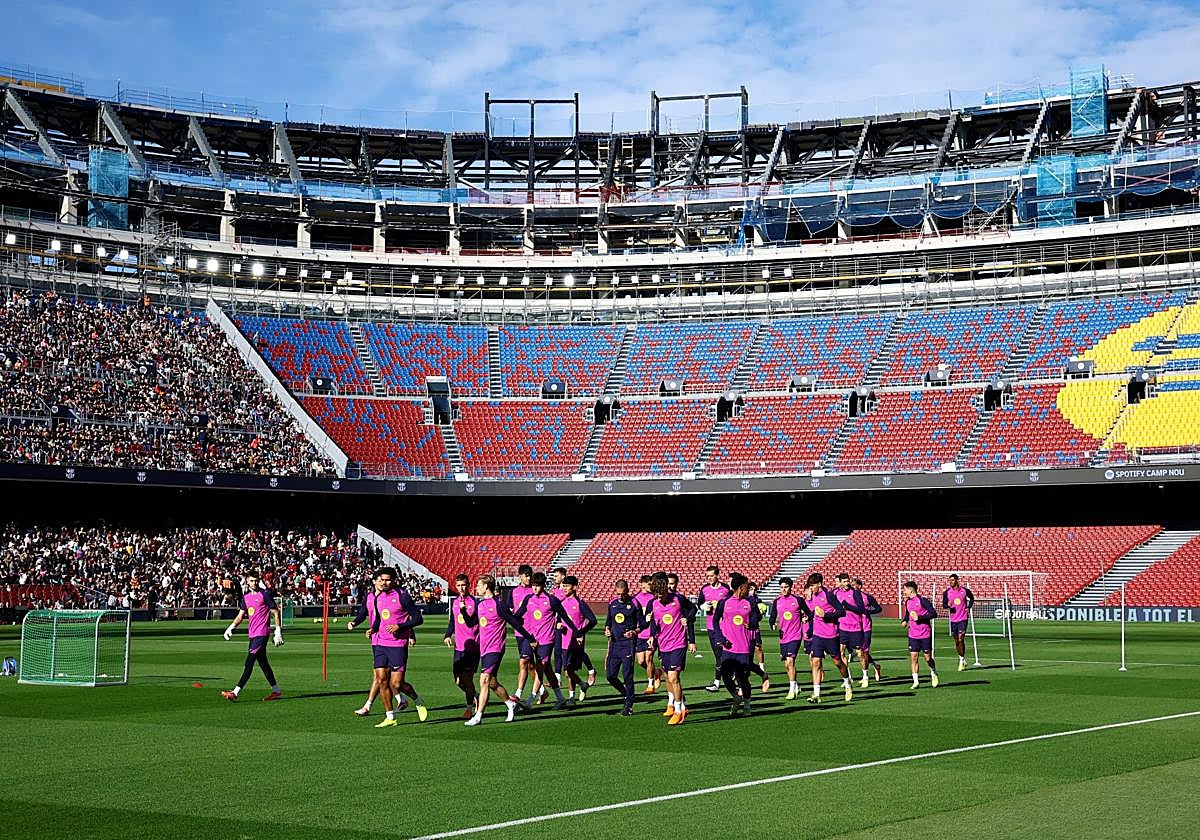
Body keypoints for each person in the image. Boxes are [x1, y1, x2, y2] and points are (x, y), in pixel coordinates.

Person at [346, 566, 428, 728]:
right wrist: (373, 629)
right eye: (381, 580)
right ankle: (390, 716)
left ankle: (418, 700)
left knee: (397, 684)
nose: (384, 583)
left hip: (397, 644)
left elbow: (418, 619)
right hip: (380, 644)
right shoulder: (377, 597)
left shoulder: (402, 596)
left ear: (394, 580)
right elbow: (378, 619)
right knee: (382, 679)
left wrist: (401, 626)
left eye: (387, 580)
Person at [466, 575, 537, 726]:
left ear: (486, 587)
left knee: (484, 679)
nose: (477, 588)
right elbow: (471, 623)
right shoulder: (479, 605)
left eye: (479, 585)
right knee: (491, 682)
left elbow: (515, 623)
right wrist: (464, 612)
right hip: (484, 649)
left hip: (496, 647)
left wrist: (530, 638)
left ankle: (478, 716)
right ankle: (510, 703)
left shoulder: (499, 604)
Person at [511, 572, 577, 710]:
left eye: (538, 586)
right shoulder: (528, 598)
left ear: (543, 585)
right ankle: (560, 698)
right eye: (534, 585)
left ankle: (529, 701)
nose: (535, 588)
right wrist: (507, 617)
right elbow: (517, 614)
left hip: (546, 640)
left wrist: (577, 633)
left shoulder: (552, 600)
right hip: (530, 638)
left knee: (541, 667)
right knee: (526, 663)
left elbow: (565, 617)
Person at [221, 571, 284, 702]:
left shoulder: (265, 594)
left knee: (249, 662)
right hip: (252, 635)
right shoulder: (246, 597)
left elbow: (275, 612)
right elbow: (240, 615)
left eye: (256, 580)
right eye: (252, 581)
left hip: (262, 634)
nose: (254, 583)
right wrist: (231, 628)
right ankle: (276, 691)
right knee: (263, 663)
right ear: (247, 582)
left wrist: (277, 631)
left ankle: (235, 692)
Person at [646, 573, 698, 725]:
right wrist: (651, 635)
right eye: (657, 595)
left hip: (678, 643)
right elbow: (654, 623)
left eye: (662, 595)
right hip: (663, 645)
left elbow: (693, 609)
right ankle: (681, 706)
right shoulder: (654, 603)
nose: (659, 598)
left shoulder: (678, 599)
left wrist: (687, 620)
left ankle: (677, 710)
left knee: (674, 677)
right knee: (668, 677)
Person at [712, 573, 760, 717]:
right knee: (725, 676)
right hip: (728, 647)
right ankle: (736, 696)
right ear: (741, 587)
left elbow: (757, 617)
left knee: (742, 678)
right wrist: (720, 637)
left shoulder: (750, 602)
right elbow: (715, 621)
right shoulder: (724, 602)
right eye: (746, 586)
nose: (748, 588)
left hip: (744, 647)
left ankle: (746, 705)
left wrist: (751, 623)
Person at [802, 572, 854, 704]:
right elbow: (814, 611)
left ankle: (847, 685)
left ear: (820, 584)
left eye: (813, 585)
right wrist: (809, 618)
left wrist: (826, 615)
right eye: (810, 586)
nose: (811, 588)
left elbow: (842, 612)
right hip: (818, 635)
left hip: (831, 635)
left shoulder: (829, 595)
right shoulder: (813, 595)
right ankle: (816, 694)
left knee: (838, 662)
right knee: (815, 662)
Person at [604, 579, 646, 716]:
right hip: (615, 644)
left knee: (627, 675)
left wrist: (635, 632)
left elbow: (643, 623)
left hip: (628, 644)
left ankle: (629, 705)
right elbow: (608, 621)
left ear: (627, 591)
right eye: (618, 594)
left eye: (622, 594)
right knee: (610, 675)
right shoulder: (612, 603)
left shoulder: (634, 603)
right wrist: (607, 629)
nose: (620, 596)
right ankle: (626, 693)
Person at [443, 573, 480, 718]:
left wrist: (464, 610)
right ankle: (476, 695)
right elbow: (453, 621)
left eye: (463, 585)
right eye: (458, 585)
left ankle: (469, 708)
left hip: (472, 648)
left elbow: (471, 622)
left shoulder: (475, 603)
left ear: (469, 585)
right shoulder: (455, 602)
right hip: (459, 647)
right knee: (458, 681)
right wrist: (447, 635)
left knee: (467, 678)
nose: (461, 588)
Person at [552, 566, 596, 689]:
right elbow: (559, 619)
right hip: (565, 640)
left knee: (569, 670)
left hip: (576, 642)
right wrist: (558, 624)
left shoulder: (580, 603)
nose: (564, 588)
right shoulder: (562, 603)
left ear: (575, 587)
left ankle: (573, 695)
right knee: (568, 671)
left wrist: (580, 633)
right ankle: (580, 687)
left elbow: (593, 620)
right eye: (563, 586)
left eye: (567, 586)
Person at [768, 577, 805, 700]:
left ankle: (791, 690)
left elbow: (809, 613)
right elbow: (772, 617)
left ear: (791, 587)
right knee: (787, 665)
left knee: (790, 661)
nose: (784, 589)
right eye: (782, 587)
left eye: (786, 587)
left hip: (795, 634)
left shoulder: (798, 600)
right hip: (783, 636)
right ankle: (796, 686)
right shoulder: (777, 601)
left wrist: (806, 618)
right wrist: (772, 623)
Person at [833, 573, 871, 689]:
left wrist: (848, 607)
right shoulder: (835, 593)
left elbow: (861, 609)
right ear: (840, 582)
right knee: (841, 652)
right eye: (843, 582)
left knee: (861, 653)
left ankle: (865, 676)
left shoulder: (855, 593)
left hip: (855, 627)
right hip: (842, 627)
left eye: (847, 581)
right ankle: (847, 677)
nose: (846, 584)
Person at [697, 565, 731, 692]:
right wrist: (702, 606)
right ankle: (717, 682)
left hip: (725, 627)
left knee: (727, 653)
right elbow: (699, 603)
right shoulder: (705, 589)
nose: (709, 578)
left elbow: (732, 602)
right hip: (712, 627)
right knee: (718, 655)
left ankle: (723, 679)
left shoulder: (726, 589)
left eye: (712, 576)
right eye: (708, 576)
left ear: (717, 575)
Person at [508, 564, 537, 705]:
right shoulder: (513, 592)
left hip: (532, 632)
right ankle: (543, 691)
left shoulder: (535, 591)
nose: (528, 578)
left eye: (530, 575)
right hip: (519, 632)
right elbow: (510, 609)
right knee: (530, 665)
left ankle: (518, 694)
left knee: (523, 662)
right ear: (520, 576)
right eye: (526, 575)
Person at [902, 581, 939, 688]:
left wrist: (920, 618)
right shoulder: (908, 602)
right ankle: (916, 681)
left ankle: (933, 672)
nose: (904, 592)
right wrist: (904, 621)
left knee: (928, 658)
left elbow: (933, 613)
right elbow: (908, 614)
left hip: (925, 633)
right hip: (913, 634)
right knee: (914, 657)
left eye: (905, 589)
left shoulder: (923, 600)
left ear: (911, 589)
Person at [852, 578, 884, 685]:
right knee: (859, 652)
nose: (853, 588)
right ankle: (875, 666)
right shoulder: (849, 597)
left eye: (854, 585)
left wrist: (868, 611)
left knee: (863, 652)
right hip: (854, 627)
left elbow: (879, 609)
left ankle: (865, 677)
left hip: (866, 627)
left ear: (860, 586)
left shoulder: (867, 597)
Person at [941, 574, 975, 671]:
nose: (950, 582)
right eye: (949, 580)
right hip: (953, 619)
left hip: (963, 618)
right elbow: (944, 605)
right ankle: (962, 658)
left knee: (961, 639)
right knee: (956, 641)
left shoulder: (964, 591)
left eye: (952, 580)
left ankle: (961, 661)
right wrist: (947, 606)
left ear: (957, 580)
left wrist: (969, 607)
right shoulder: (946, 592)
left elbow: (972, 598)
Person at [633, 575, 660, 694]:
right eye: (649, 584)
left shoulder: (654, 598)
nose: (651, 586)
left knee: (649, 658)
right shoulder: (635, 598)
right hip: (640, 633)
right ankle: (656, 672)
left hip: (651, 633)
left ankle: (650, 685)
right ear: (642, 584)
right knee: (641, 661)